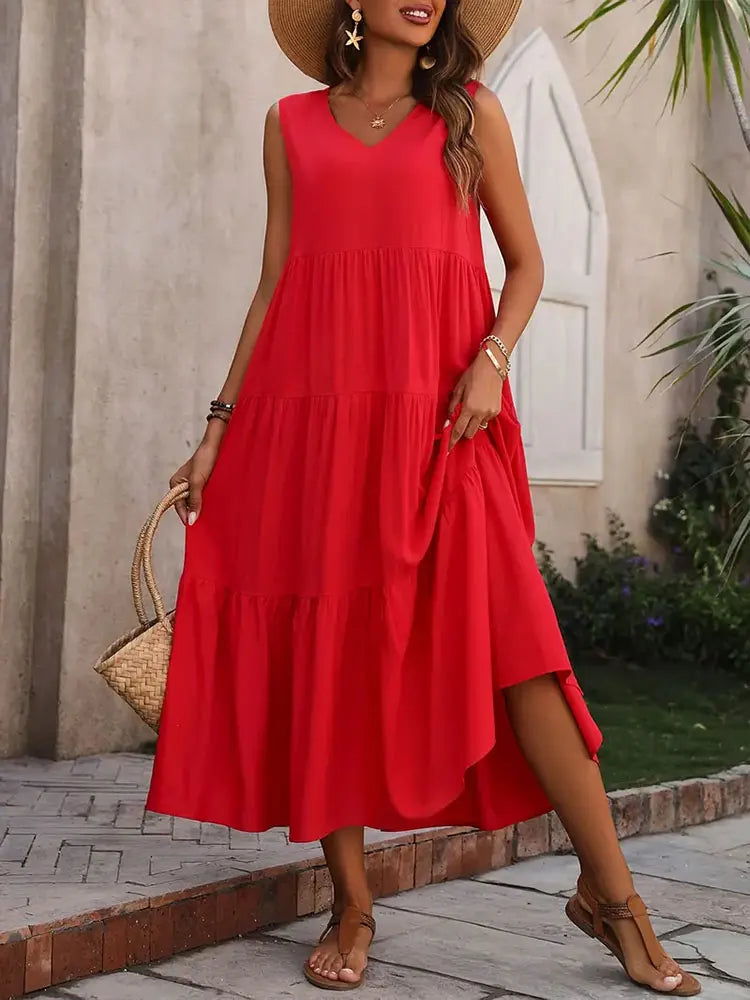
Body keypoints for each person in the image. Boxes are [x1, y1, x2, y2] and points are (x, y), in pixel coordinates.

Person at [145, 0, 700, 994]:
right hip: (308, 428)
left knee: (524, 650)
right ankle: (351, 899)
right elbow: (276, 281)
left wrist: (490, 359)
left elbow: (526, 266)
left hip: (448, 426)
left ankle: (611, 895)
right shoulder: (290, 124)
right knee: (332, 647)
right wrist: (221, 424)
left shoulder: (469, 114)